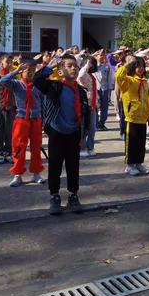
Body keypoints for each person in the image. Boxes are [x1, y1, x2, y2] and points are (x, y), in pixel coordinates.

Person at [34, 54, 90, 215]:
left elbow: (85, 113)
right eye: (69, 66)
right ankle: (54, 196)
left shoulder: (80, 90)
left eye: (75, 66)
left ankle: (73, 195)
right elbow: (37, 81)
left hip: (74, 134)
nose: (73, 68)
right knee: (55, 166)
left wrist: (83, 134)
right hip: (57, 133)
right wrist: (50, 66)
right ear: (60, 71)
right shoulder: (54, 86)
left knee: (73, 166)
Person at [0, 60, 45, 187]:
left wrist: (44, 120)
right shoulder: (16, 84)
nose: (30, 73)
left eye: (32, 70)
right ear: (22, 72)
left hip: (36, 119)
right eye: (27, 70)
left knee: (36, 147)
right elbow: (2, 81)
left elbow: (42, 102)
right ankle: (18, 174)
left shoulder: (37, 85)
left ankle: (36, 173)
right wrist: (16, 71)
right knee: (19, 147)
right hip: (21, 119)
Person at [116, 56, 149, 176]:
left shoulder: (145, 82)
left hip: (143, 119)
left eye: (143, 66)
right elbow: (119, 77)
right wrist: (127, 64)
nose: (141, 68)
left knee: (140, 143)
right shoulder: (128, 80)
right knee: (131, 143)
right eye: (138, 66)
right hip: (131, 118)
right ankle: (130, 165)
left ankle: (139, 163)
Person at [77, 56, 99, 157]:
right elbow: (80, 76)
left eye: (92, 63)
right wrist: (85, 66)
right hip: (85, 105)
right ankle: (82, 148)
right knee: (84, 128)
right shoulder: (83, 75)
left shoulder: (92, 75)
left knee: (92, 128)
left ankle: (91, 147)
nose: (91, 65)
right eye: (89, 63)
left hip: (93, 105)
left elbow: (94, 90)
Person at [94, 50, 115, 131]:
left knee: (104, 107)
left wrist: (110, 88)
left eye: (103, 55)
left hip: (105, 89)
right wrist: (93, 56)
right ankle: (96, 124)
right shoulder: (93, 66)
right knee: (95, 107)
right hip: (95, 89)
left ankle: (102, 123)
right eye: (99, 55)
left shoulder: (107, 66)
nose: (101, 56)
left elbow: (109, 79)